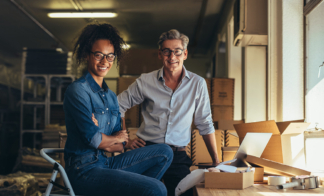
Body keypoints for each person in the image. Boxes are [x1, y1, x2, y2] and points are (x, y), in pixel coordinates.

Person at [63, 23, 173, 196]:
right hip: (83, 170)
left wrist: (108, 139)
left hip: (105, 163)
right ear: (86, 54)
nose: (104, 62)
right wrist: (108, 140)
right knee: (156, 188)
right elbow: (94, 140)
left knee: (165, 152)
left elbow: (120, 146)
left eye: (110, 56)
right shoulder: (78, 91)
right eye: (99, 55)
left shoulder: (111, 96)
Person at [117, 29, 220, 196]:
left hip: (178, 156)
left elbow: (205, 122)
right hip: (147, 152)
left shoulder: (197, 84)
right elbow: (117, 106)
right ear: (160, 54)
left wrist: (216, 161)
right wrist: (124, 141)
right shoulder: (145, 81)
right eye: (167, 51)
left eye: (177, 51)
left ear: (185, 54)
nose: (172, 57)